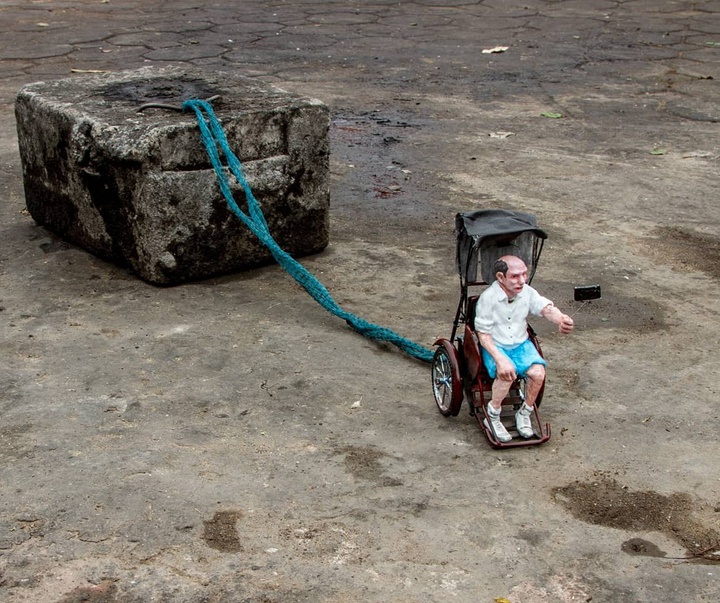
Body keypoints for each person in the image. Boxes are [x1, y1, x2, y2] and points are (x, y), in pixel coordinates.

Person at [474, 255, 574, 442]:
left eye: (524, 275)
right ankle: (493, 414)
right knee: (507, 372)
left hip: (521, 344)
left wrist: (561, 319)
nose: (521, 280)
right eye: (514, 276)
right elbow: (483, 335)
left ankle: (525, 412)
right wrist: (500, 358)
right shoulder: (488, 299)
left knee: (538, 373)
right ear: (500, 277)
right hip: (496, 345)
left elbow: (545, 308)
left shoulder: (527, 292)